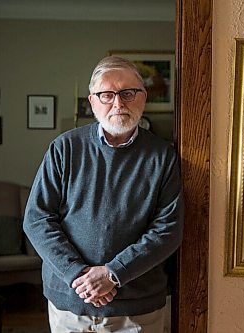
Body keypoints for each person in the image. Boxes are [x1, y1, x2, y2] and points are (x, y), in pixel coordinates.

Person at [23, 56, 183, 333]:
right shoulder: (64, 149)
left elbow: (168, 230)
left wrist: (113, 274)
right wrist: (78, 274)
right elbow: (37, 220)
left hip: (137, 310)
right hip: (70, 305)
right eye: (107, 95)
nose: (118, 104)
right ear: (92, 101)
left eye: (128, 93)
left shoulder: (163, 156)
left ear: (143, 97)